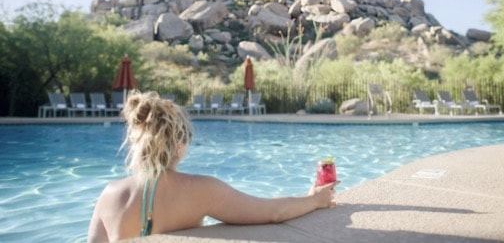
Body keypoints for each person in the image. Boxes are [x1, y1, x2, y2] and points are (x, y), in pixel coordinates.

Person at [88, 91, 337, 242]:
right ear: (179, 145)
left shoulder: (109, 195)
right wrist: (316, 200)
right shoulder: (199, 189)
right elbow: (272, 212)